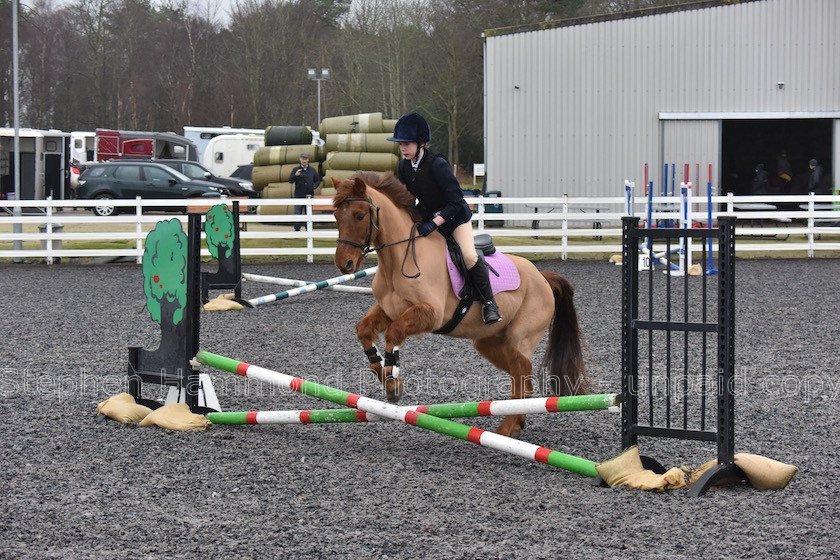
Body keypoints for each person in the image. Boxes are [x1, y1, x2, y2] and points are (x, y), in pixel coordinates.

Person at [387, 112, 501, 324]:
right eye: (400, 144)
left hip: (456, 217)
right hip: (429, 213)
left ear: (421, 143)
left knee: (468, 255)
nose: (403, 148)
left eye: (407, 144)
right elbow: (406, 198)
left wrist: (434, 223)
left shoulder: (437, 165)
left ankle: (489, 303)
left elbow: (457, 201)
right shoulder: (404, 166)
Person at [288, 152, 321, 231]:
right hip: (298, 195)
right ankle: (297, 230)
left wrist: (314, 187)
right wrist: (295, 176)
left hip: (309, 195)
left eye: (306, 159)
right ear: (300, 159)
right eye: (303, 159)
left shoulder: (312, 170)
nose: (304, 161)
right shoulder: (296, 169)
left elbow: (317, 180)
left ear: (308, 160)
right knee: (297, 213)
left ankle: (308, 230)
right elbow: (290, 181)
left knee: (308, 213)